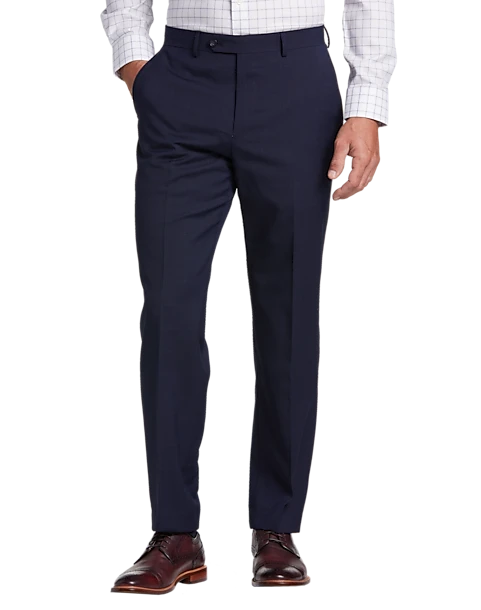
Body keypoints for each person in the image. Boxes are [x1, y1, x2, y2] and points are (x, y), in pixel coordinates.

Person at [101, 0, 397, 594]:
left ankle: (277, 531)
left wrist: (367, 106)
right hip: (181, 76)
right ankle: (174, 535)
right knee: (168, 311)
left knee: (289, 311)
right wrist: (139, 69)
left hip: (295, 80)